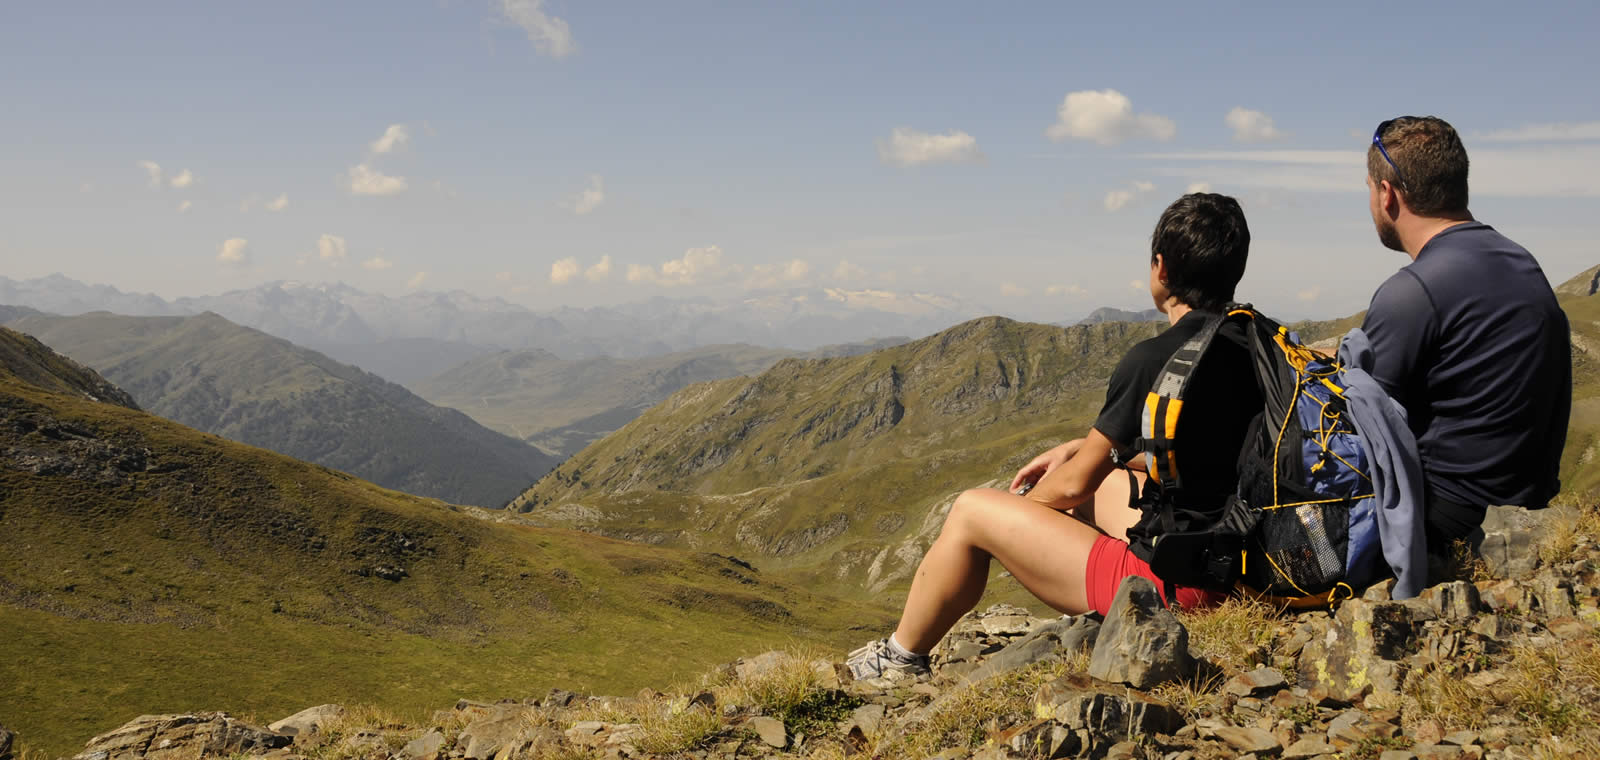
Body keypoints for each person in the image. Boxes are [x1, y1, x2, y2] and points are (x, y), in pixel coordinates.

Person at [847, 193, 1260, 682]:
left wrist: (1026, 510)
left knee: (971, 512)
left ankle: (898, 658)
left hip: (1181, 589)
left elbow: (1070, 489)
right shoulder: (1260, 344)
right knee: (1101, 483)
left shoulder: (1157, 359)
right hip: (1246, 567)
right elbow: (1211, 460)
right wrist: (1081, 451)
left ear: (1160, 268)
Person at [1359, 116, 1571, 563]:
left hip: (1447, 525)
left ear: (1387, 194)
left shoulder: (1412, 291)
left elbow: (1359, 429)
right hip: (1527, 508)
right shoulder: (1521, 262)